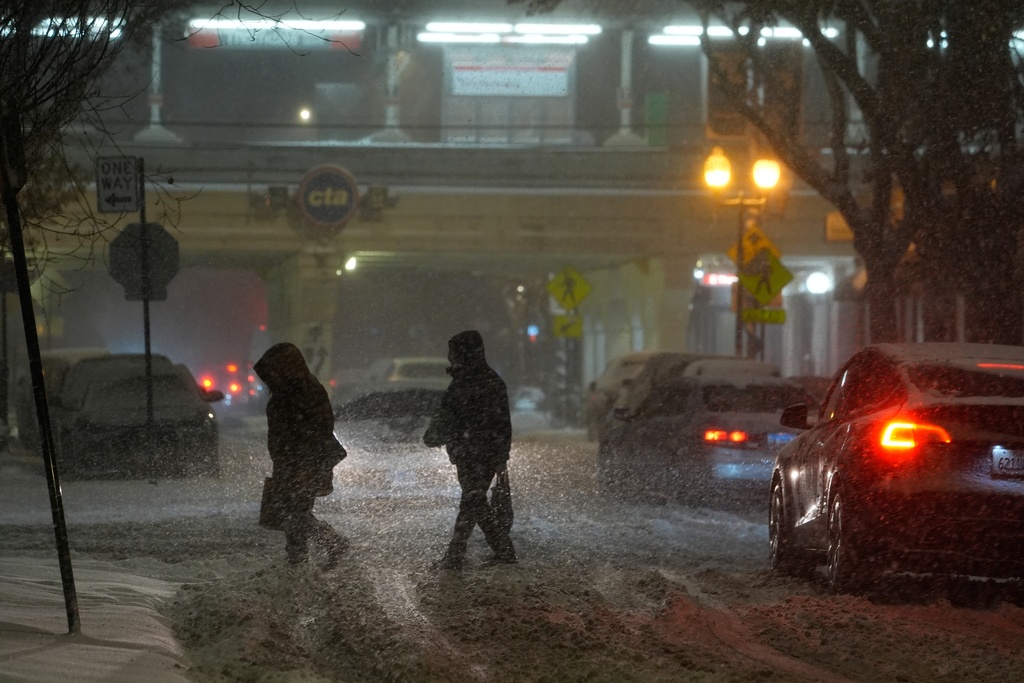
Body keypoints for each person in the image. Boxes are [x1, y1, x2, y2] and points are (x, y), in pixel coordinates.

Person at [424, 330, 516, 570]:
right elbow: (501, 423)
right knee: (474, 502)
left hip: (474, 453)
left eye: (453, 352)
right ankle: (492, 550)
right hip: (472, 453)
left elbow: (499, 423)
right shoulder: (485, 381)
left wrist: (500, 455)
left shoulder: (468, 383)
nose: (449, 357)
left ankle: (462, 554)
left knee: (473, 501)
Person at [254, 342, 348, 567]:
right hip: (292, 462)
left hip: (303, 463)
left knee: (294, 512)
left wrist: (300, 460)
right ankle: (301, 555)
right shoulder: (289, 392)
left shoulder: (303, 392)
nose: (270, 379)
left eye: (275, 371)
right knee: (291, 511)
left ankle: (325, 545)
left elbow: (317, 428)